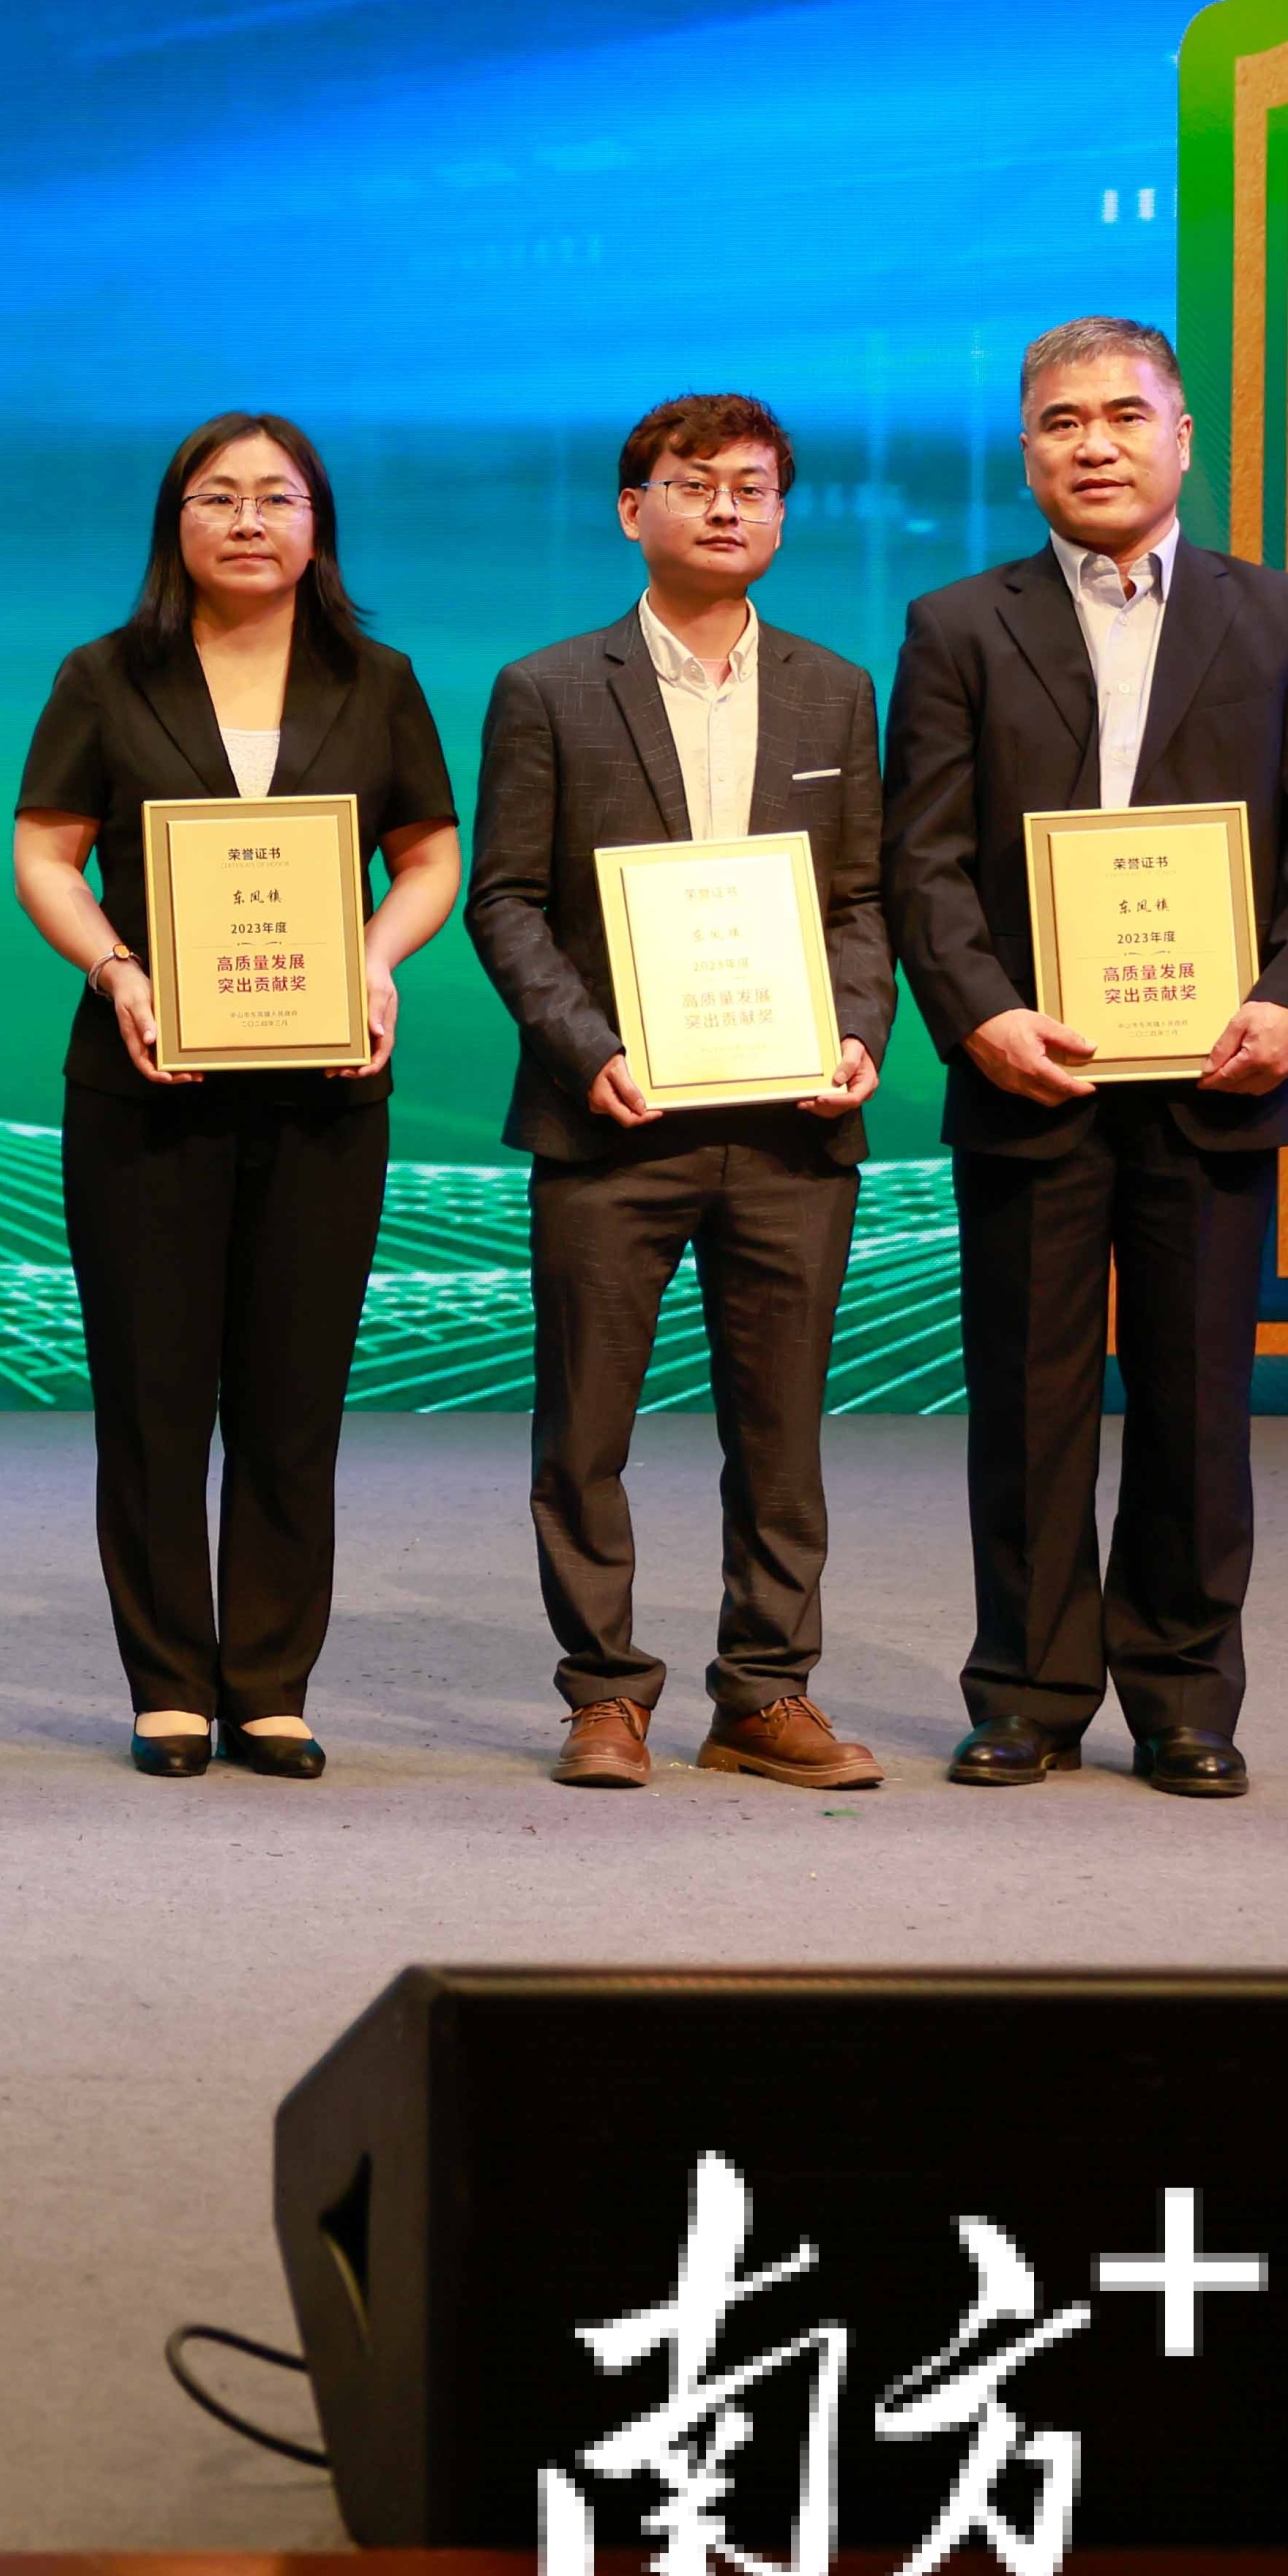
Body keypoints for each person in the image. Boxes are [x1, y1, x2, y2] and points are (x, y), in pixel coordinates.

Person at [883, 316, 1288, 1799]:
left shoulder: (1282, 616)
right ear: (1025, 449)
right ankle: (1026, 1692)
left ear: (1180, 439)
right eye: (1059, 421)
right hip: (1031, 1068)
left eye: (1120, 415)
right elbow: (921, 855)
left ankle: (1182, 1695)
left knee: (1193, 1402)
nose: (1091, 444)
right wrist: (980, 1014)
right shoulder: (957, 624)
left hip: (1220, 1067)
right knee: (1026, 1399)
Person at [10, 412, 464, 1776]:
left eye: (277, 497)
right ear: (176, 524)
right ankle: (166, 1679)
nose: (249, 520)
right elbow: (44, 855)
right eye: (217, 497)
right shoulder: (105, 675)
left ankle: (268, 1679)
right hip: (147, 1082)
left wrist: (375, 960)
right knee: (151, 1392)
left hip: (325, 1086)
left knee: (291, 1391)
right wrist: (116, 970)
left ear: (318, 525)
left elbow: (429, 856)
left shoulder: (376, 680)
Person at [462, 390, 893, 1793]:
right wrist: (585, 1048)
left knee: (781, 1431)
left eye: (753, 487)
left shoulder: (835, 689)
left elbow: (859, 900)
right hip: (612, 1121)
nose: (725, 508)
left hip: (790, 1126)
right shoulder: (546, 687)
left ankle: (763, 1693)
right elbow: (504, 899)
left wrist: (856, 1032)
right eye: (694, 483)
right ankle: (603, 1693)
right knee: (585, 1429)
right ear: (630, 506)